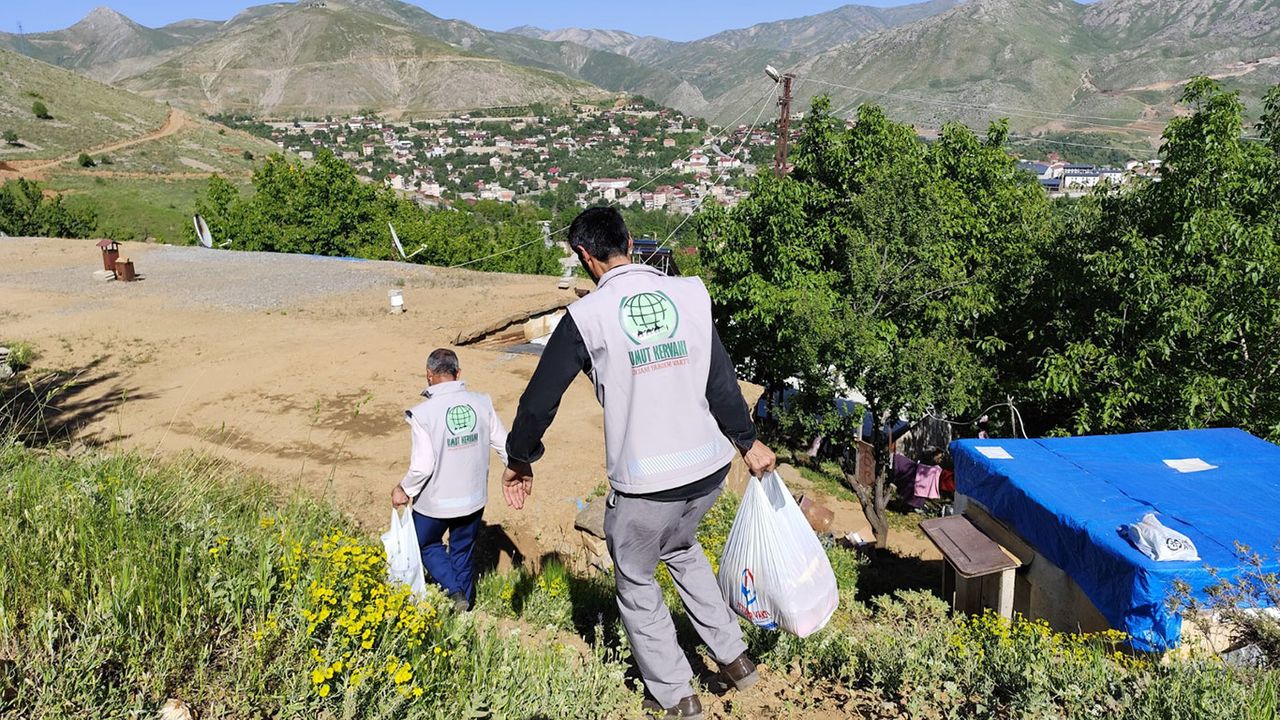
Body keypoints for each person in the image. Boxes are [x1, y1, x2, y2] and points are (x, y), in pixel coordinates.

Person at [501, 206, 777, 719]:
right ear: (630, 240)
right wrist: (747, 442)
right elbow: (722, 380)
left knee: (635, 575)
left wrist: (521, 457)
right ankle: (736, 659)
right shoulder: (691, 293)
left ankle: (676, 694)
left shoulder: (587, 317)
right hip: (709, 468)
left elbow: (540, 398)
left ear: (584, 257)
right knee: (682, 546)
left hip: (647, 481)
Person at [391, 348, 508, 611]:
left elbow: (422, 466)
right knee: (462, 553)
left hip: (436, 502)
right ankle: (465, 610)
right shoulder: (482, 403)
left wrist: (403, 489)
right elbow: (504, 444)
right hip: (473, 499)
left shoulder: (423, 413)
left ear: (429, 375)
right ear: (458, 374)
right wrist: (517, 470)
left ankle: (455, 592)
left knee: (424, 543)